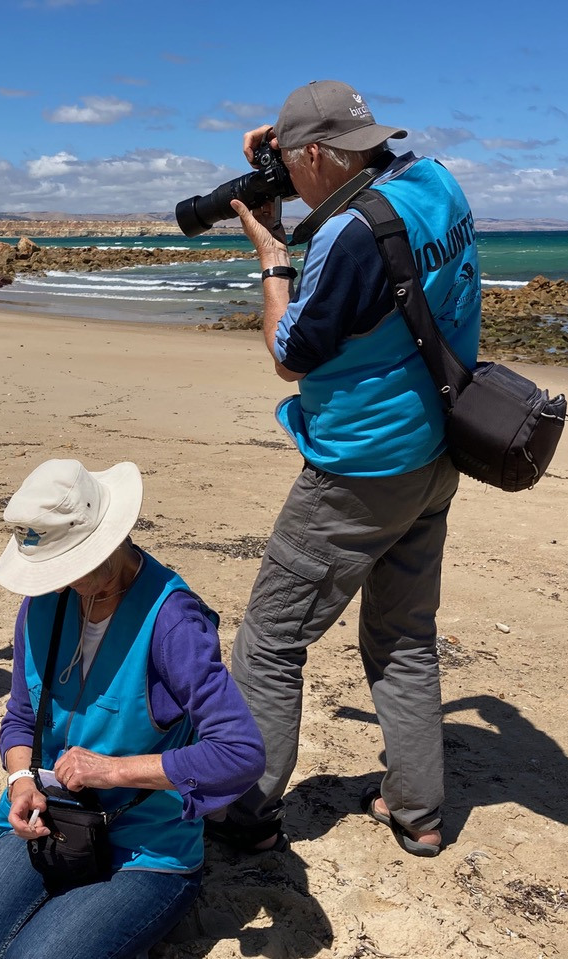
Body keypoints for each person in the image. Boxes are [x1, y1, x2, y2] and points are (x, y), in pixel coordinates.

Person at [209, 80, 482, 858]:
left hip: (360, 470)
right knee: (403, 634)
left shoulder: (348, 237)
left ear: (319, 154)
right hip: (436, 448)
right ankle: (418, 809)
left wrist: (271, 257)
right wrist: (289, 145)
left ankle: (247, 812)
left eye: (297, 166)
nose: (289, 185)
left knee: (269, 640)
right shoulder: (438, 184)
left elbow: (289, 355)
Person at [0, 459, 265, 959]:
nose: (57, 582)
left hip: (145, 845)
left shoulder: (174, 622)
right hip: (56, 820)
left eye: (68, 566)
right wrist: (20, 780)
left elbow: (239, 753)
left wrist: (111, 771)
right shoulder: (44, 601)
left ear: (111, 541)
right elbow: (20, 718)